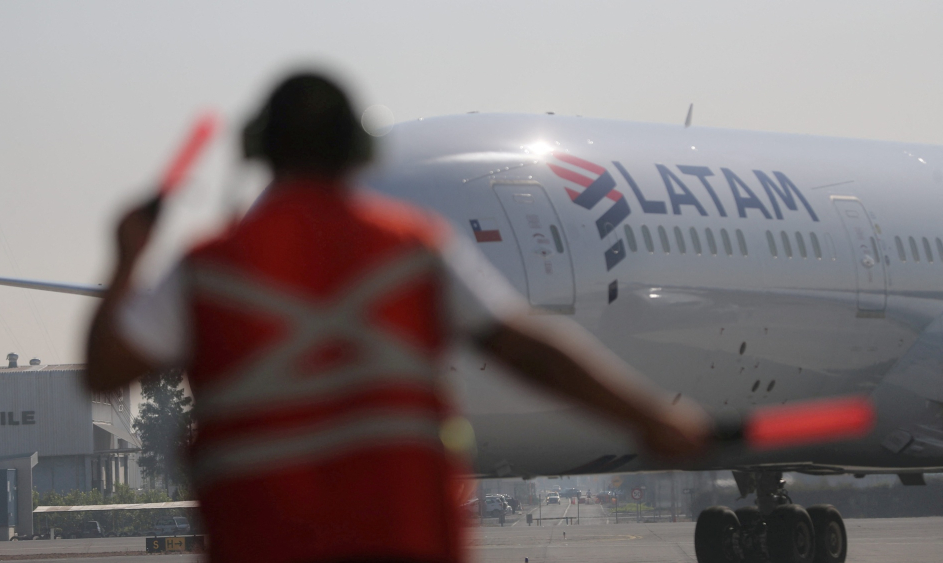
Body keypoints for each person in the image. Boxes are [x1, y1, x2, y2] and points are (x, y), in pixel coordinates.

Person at [84, 72, 710, 563]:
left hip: (264, 535)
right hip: (400, 531)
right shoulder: (410, 247)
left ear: (259, 152)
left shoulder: (211, 264)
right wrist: (651, 419)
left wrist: (125, 262)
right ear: (359, 151)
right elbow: (527, 347)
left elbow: (105, 372)